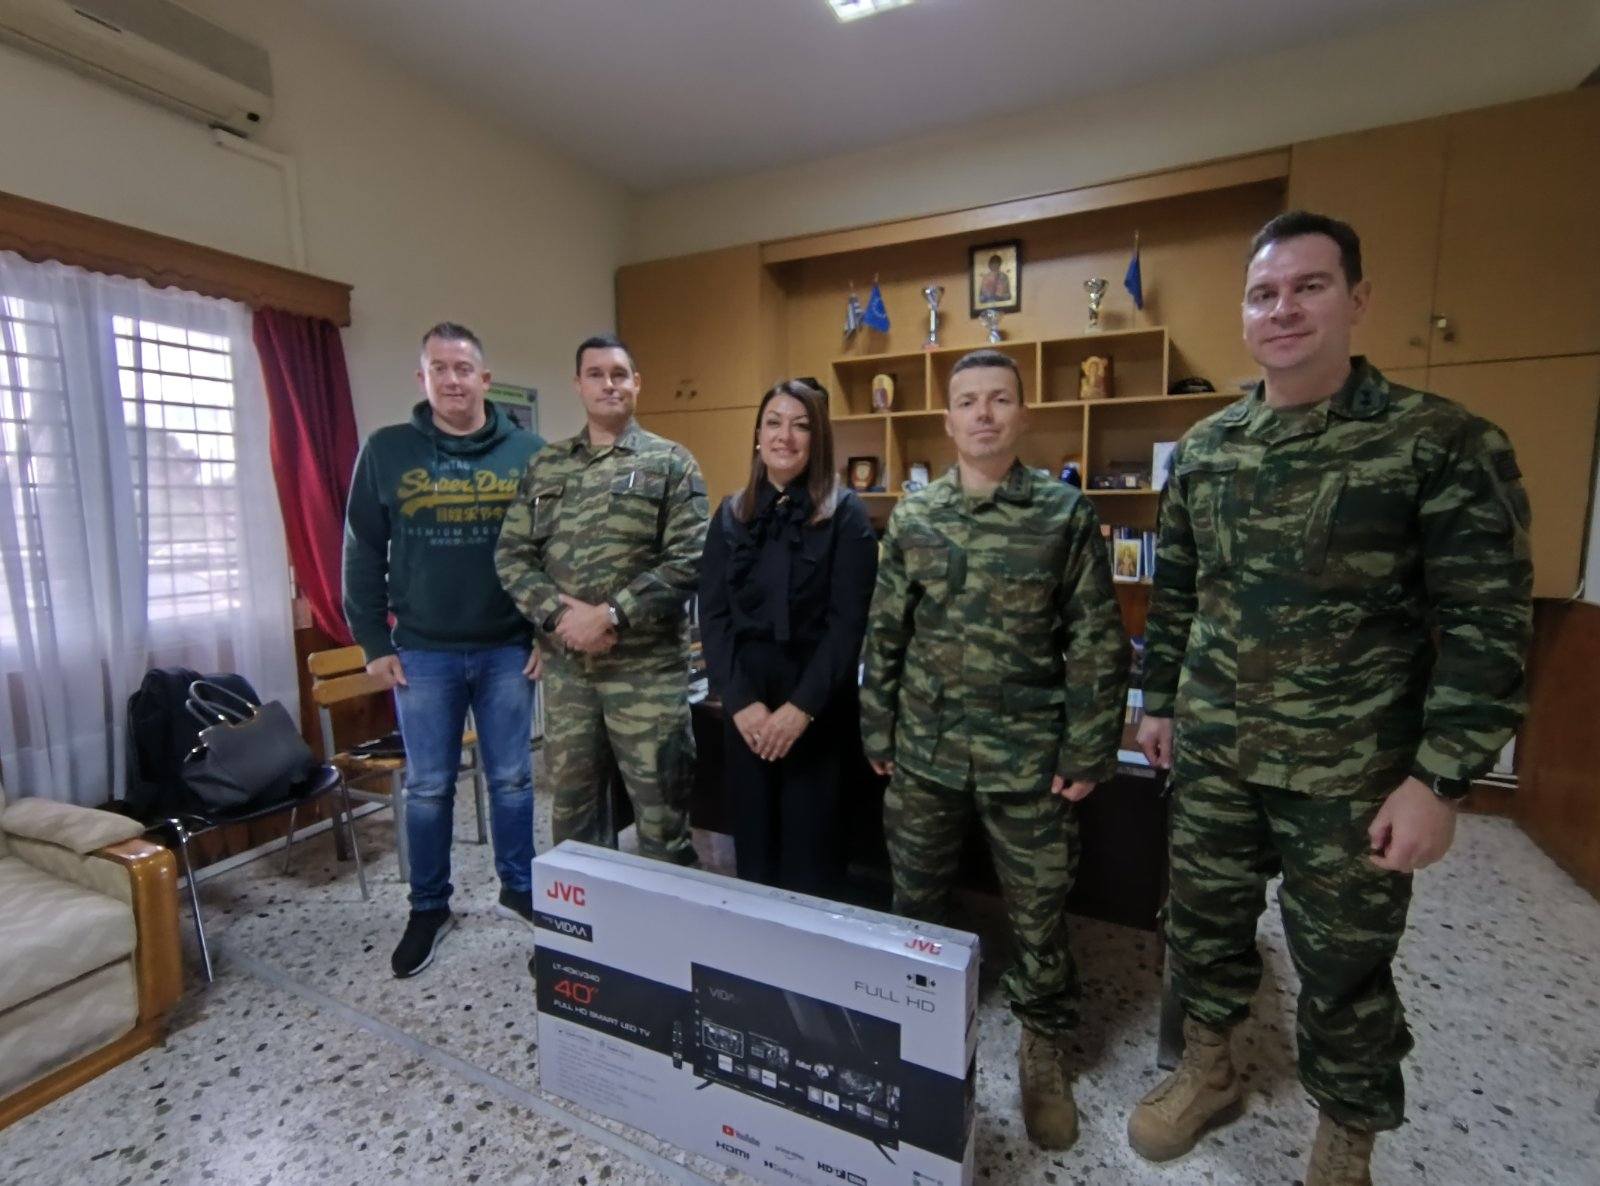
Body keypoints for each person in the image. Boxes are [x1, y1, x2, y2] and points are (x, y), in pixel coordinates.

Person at [1127, 212, 1532, 1185]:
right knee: (1203, 928)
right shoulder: (1209, 449)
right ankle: (1209, 1071)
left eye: (1308, 286)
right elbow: (1176, 592)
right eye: (1263, 294)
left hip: (1352, 772)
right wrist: (1158, 702)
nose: (1283, 309)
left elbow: (1487, 622)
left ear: (1357, 299)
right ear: (1244, 315)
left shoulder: (1439, 442)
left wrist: (1440, 780)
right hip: (1217, 755)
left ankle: (1346, 1134)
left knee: (1345, 967)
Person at [860, 348, 1130, 1150]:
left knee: (1040, 912)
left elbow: (1095, 638)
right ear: (947, 420)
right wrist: (877, 728)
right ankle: (920, 1032)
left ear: (1023, 414)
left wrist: (1087, 748)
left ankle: (1042, 1049)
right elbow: (885, 633)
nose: (983, 413)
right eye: (968, 401)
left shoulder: (1063, 514)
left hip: (1028, 754)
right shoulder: (915, 516)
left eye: (1000, 399)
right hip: (926, 751)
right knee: (916, 901)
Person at [342, 322, 544, 979]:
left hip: (508, 647)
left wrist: (547, 631)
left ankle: (520, 888)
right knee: (428, 788)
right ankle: (428, 907)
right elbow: (362, 550)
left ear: (485, 379)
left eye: (463, 368)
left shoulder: (530, 453)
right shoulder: (387, 451)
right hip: (422, 652)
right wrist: (373, 640)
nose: (452, 380)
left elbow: (555, 551)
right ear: (422, 379)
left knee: (513, 780)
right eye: (439, 368)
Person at [496, 334, 707, 867]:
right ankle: (588, 921)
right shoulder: (546, 466)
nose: (608, 384)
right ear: (578, 384)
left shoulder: (671, 463)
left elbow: (690, 558)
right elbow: (512, 556)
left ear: (637, 383)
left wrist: (610, 614)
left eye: (619, 374)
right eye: (595, 374)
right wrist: (560, 616)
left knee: (662, 818)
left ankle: (665, 919)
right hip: (570, 675)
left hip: (647, 674)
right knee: (574, 818)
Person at [698, 379, 878, 897]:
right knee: (753, 852)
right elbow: (714, 616)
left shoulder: (845, 514)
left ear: (817, 440)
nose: (785, 436)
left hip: (816, 703)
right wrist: (740, 703)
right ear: (758, 436)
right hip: (748, 706)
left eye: (801, 426)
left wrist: (800, 711)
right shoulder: (731, 513)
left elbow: (848, 626)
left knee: (811, 857)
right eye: (774, 423)